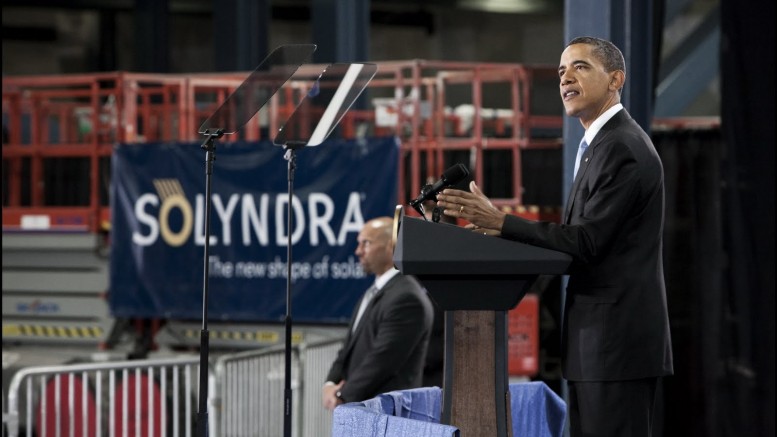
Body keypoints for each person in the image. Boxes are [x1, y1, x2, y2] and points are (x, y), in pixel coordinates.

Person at [436, 36, 673, 436]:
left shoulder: (623, 147)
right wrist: (501, 230)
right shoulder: (599, 146)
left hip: (616, 348)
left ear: (616, 79)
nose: (565, 78)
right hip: (597, 347)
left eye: (580, 67)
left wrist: (504, 222)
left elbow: (586, 243)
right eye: (561, 71)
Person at [322, 216, 434, 410]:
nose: (358, 251)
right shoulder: (374, 291)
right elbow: (348, 348)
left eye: (366, 244)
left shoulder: (407, 298)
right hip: (361, 408)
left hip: (385, 414)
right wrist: (330, 384)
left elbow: (382, 361)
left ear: (391, 247)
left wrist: (342, 396)